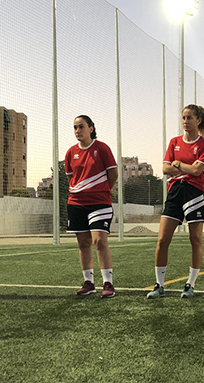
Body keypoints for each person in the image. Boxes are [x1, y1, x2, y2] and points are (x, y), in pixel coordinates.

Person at [147, 105, 204, 299]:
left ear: (198, 120)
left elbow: (197, 171)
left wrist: (178, 164)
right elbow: (166, 168)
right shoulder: (174, 142)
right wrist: (183, 167)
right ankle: (159, 285)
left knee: (195, 240)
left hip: (194, 192)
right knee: (162, 240)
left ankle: (190, 284)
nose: (185, 121)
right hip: (175, 192)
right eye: (183, 118)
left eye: (189, 117)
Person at [65, 115, 118, 298]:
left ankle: (108, 283)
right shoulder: (71, 152)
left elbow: (113, 174)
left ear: (91, 128)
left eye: (81, 127)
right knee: (83, 243)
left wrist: (102, 191)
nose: (78, 131)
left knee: (99, 241)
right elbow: (70, 177)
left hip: (100, 203)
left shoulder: (102, 148)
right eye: (75, 127)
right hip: (76, 203)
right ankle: (89, 282)